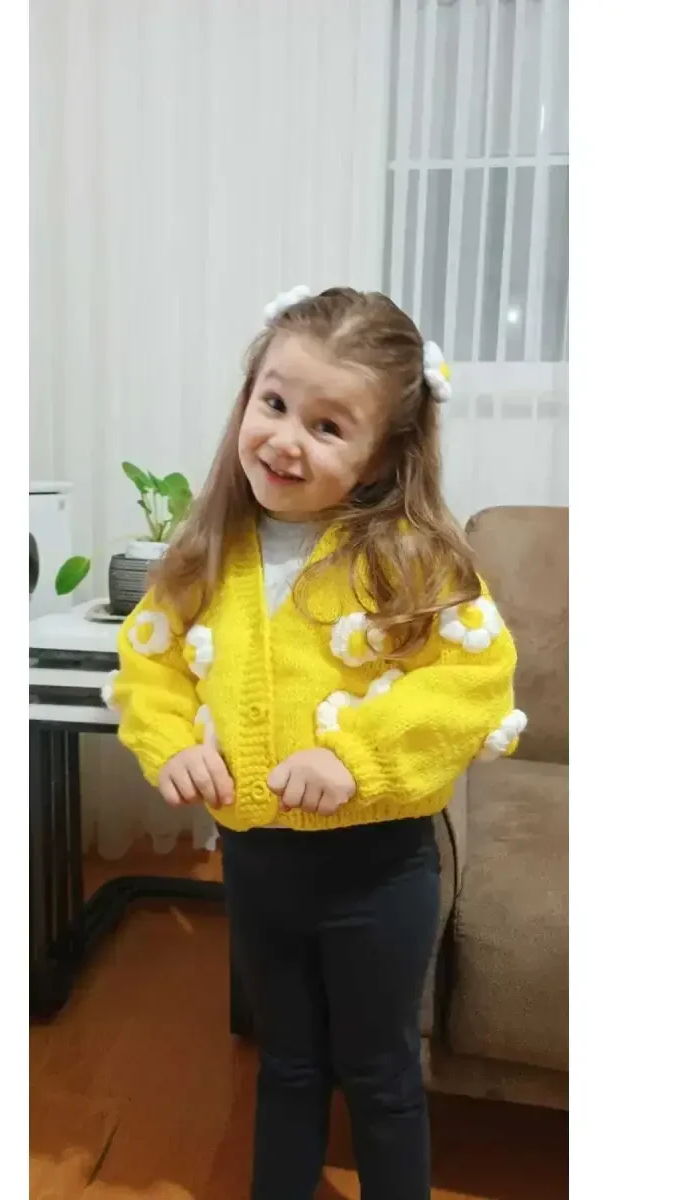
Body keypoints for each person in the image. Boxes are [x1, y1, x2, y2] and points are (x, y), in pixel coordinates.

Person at [108, 286, 525, 1200]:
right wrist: (171, 743)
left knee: (379, 1071)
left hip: (380, 872)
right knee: (288, 1063)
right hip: (258, 865)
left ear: (382, 457)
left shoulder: (411, 559)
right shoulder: (206, 552)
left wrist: (355, 755)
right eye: (275, 403)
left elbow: (472, 680)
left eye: (328, 426)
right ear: (248, 398)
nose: (285, 439)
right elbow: (150, 663)